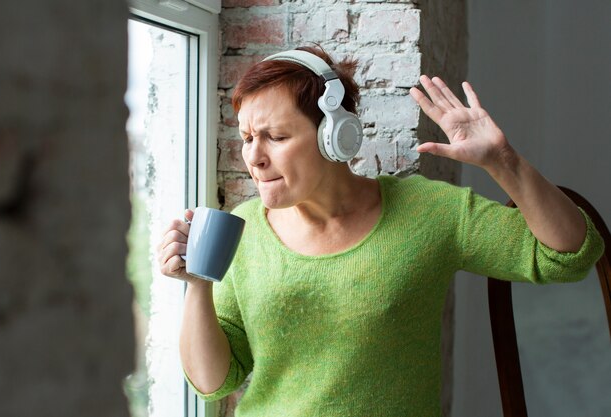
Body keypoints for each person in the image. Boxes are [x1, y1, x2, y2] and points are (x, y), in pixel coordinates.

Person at [156, 45, 604, 416]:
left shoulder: (428, 212)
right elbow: (214, 383)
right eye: (248, 137)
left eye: (275, 136)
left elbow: (569, 255)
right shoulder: (244, 228)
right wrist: (197, 284)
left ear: (335, 134)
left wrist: (501, 161)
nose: (253, 157)